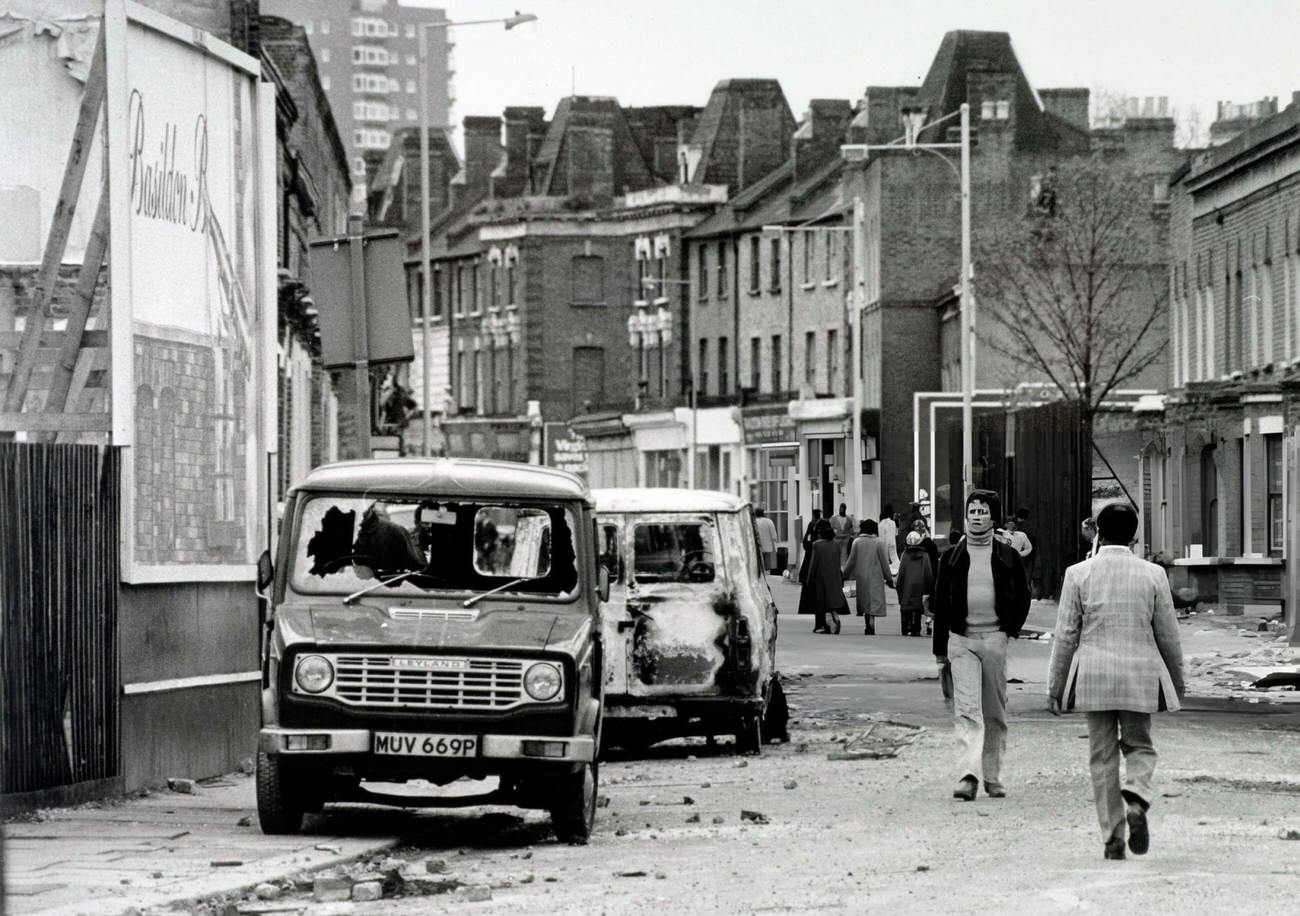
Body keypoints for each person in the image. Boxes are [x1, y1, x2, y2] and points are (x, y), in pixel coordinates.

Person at [1047, 502, 1185, 861]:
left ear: (1099, 532)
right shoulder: (1154, 575)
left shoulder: (1078, 574)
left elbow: (1065, 635)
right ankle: (1137, 795)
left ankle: (1112, 836)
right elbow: (1168, 635)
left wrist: (1056, 686)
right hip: (1140, 674)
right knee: (1140, 745)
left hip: (1093, 675)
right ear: (1135, 537)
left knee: (1101, 756)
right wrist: (1176, 681)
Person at [932, 488, 1030, 801]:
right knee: (967, 711)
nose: (977, 517)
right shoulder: (951, 557)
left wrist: (1009, 630)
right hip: (961, 641)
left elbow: (1024, 595)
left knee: (994, 713)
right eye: (972, 511)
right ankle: (968, 776)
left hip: (994, 640)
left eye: (982, 511)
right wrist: (939, 652)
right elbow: (940, 605)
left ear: (993, 517)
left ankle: (992, 775)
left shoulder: (1007, 556)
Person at [842, 519, 893, 634]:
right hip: (876, 577)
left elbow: (851, 562)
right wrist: (889, 578)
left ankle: (867, 624)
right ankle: (871, 623)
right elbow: (884, 562)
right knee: (873, 602)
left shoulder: (857, 542)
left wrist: (844, 576)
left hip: (862, 577)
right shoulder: (878, 542)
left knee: (865, 603)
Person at [798, 519, 847, 634]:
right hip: (833, 576)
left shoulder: (817, 545)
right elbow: (838, 562)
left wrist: (809, 578)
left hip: (820, 578)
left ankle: (823, 625)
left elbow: (813, 564)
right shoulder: (836, 545)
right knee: (831, 602)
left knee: (820, 603)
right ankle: (833, 618)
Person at [895, 531, 935, 637]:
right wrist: (930, 588)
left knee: (906, 608)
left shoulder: (905, 555)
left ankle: (906, 627)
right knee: (917, 609)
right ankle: (916, 628)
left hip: (907, 587)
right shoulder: (925, 555)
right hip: (920, 587)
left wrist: (899, 588)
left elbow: (902, 573)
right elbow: (928, 573)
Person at [1015, 507, 1039, 598]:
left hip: (1015, 556)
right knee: (1027, 577)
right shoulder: (1030, 527)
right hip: (1028, 557)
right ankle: (1026, 594)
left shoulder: (1014, 527)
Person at [798, 509, 823, 583]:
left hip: (812, 544)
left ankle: (804, 577)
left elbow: (807, 534)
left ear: (813, 516)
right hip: (819, 544)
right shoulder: (821, 523)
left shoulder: (812, 523)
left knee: (808, 561)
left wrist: (805, 543)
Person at [754, 507, 779, 575]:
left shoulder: (754, 521)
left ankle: (759, 575)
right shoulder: (769, 521)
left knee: (758, 563)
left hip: (757, 546)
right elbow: (774, 535)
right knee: (767, 564)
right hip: (768, 546)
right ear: (763, 513)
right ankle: (767, 576)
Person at [877, 505, 900, 573]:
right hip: (892, 544)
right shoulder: (892, 523)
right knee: (895, 563)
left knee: (884, 562)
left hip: (882, 545)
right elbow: (896, 534)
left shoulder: (880, 524)